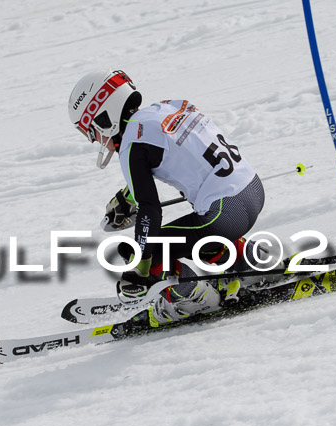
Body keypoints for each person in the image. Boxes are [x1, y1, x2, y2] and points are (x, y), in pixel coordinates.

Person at [67, 70, 265, 326]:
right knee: (195, 228)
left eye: (92, 130)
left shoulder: (131, 145)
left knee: (142, 250)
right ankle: (248, 265)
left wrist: (140, 267)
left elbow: (150, 211)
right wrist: (129, 197)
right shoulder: (169, 106)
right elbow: (182, 153)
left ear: (105, 117)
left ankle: (194, 299)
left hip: (223, 215)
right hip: (252, 192)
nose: (96, 139)